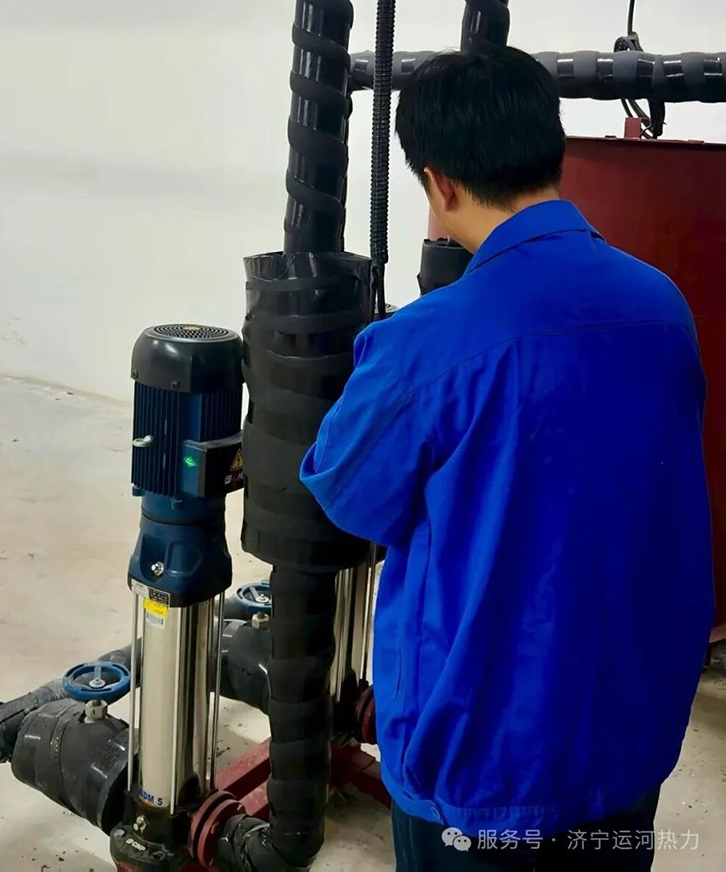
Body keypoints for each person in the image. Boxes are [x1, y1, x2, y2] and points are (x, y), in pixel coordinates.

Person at [300, 46, 714, 871]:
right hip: (629, 734)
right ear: (551, 152)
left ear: (439, 184)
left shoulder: (426, 342)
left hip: (484, 765)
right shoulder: (663, 305)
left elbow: (345, 495)